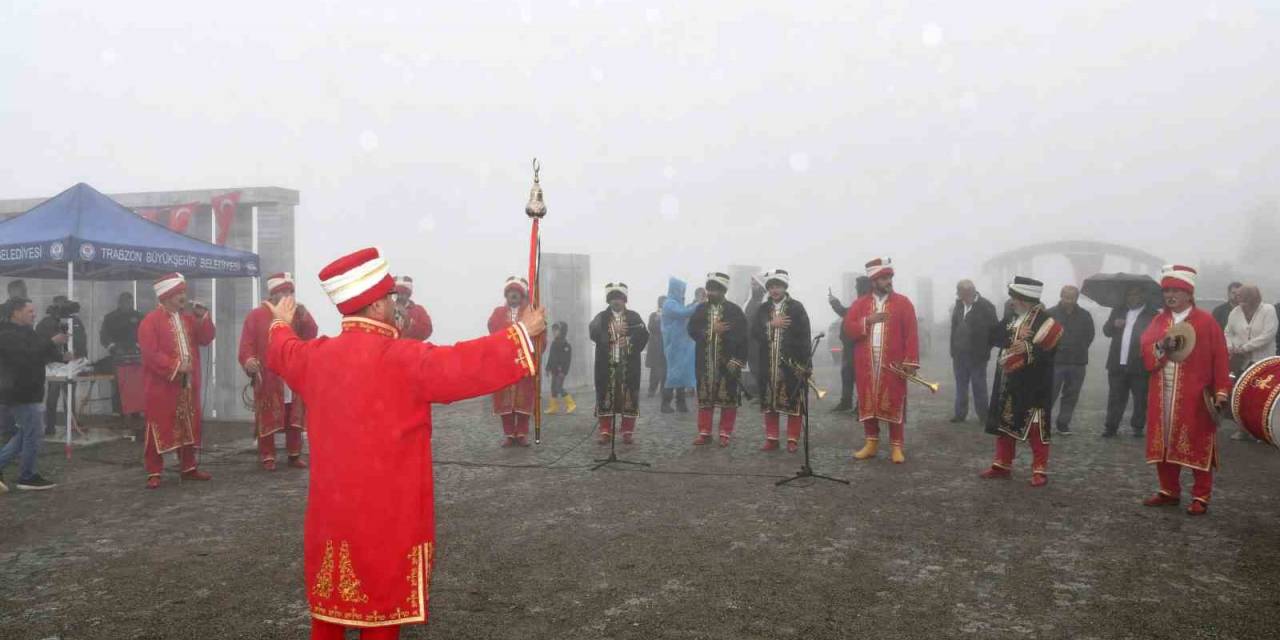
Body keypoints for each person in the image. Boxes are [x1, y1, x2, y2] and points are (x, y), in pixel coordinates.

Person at [263, 247, 544, 640]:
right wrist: (522, 336)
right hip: (386, 515)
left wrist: (279, 322)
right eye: (392, 298)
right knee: (381, 613)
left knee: (329, 612)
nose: (397, 306)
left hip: (333, 512)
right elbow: (464, 365)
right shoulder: (404, 359)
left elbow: (282, 350)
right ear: (377, 306)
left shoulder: (316, 357)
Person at [1140, 265, 1231, 515]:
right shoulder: (1159, 320)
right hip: (1162, 392)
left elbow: (1220, 357)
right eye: (1167, 291)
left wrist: (1221, 391)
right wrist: (1161, 345)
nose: (1170, 295)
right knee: (1164, 442)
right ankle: (1169, 491)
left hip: (1195, 394)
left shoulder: (1206, 322)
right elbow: (1146, 350)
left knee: (1197, 440)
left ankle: (1201, 495)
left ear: (1189, 294)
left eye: (1176, 291)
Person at [980, 277, 1064, 486]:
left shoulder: (1046, 322)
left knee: (1035, 427)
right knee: (1005, 423)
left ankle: (1039, 471)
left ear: (1025, 300)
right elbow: (994, 336)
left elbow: (1050, 350)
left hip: (1035, 383)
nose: (1011, 302)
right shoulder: (1011, 317)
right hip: (1008, 381)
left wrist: (1026, 349)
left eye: (1014, 298)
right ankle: (1002, 465)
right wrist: (1014, 334)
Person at [138, 273, 216, 489]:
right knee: (158, 426)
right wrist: (174, 365)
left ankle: (188, 467)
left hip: (188, 384)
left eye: (183, 292)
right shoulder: (150, 322)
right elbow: (150, 353)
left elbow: (206, 338)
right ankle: (154, 470)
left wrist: (202, 318)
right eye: (178, 293)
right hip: (162, 385)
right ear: (166, 296)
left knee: (188, 424)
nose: (183, 296)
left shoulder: (188, 319)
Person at [239, 272, 319, 471]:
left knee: (294, 414)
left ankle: (294, 454)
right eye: (284, 292)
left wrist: (305, 315)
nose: (289, 295)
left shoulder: (296, 313)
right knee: (267, 414)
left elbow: (311, 334)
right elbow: (246, 344)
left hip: (291, 372)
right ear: (273, 294)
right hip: (268, 374)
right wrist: (248, 360)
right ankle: (268, 455)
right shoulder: (256, 315)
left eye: (291, 291)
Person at [845, 258, 919, 464]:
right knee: (868, 401)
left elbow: (911, 334)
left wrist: (910, 361)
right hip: (866, 363)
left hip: (893, 364)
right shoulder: (859, 304)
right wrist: (867, 321)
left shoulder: (903, 303)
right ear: (873, 281)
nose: (888, 281)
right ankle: (871, 443)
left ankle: (896, 446)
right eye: (884, 278)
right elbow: (848, 329)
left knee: (894, 400)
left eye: (889, 277)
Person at [0, 296, 69, 492]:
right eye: (30, 311)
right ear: (16, 312)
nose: (34, 314)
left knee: (27, 433)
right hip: (18, 391)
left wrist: (61, 356)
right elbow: (25, 354)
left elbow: (39, 352)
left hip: (29, 390)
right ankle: (27, 476)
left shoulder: (27, 331)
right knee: (32, 433)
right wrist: (50, 341)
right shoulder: (6, 333)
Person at [751, 269, 811, 452]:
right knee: (770, 402)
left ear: (785, 287)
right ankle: (772, 438)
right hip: (767, 364)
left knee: (794, 401)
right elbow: (754, 332)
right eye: (771, 287)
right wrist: (771, 325)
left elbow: (805, 337)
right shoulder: (762, 309)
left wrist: (806, 365)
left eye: (778, 286)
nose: (775, 290)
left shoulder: (797, 308)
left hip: (792, 365)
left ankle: (792, 439)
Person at [688, 272, 749, 446]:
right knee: (705, 399)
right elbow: (691, 330)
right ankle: (704, 433)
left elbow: (743, 338)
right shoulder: (700, 309)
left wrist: (738, 360)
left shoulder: (734, 311)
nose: (710, 293)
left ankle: (725, 434)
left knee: (728, 400)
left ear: (723, 291)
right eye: (709, 289)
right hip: (704, 363)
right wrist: (710, 331)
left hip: (728, 363)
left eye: (715, 290)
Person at [589, 283, 649, 444]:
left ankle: (627, 431)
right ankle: (605, 431)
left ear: (624, 300)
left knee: (629, 396)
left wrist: (629, 341)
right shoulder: (601, 317)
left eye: (619, 298)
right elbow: (593, 332)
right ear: (609, 300)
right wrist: (611, 333)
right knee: (605, 395)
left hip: (628, 366)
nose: (616, 301)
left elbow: (643, 335)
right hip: (605, 365)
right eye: (613, 298)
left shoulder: (634, 317)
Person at [1101, 286, 1157, 438]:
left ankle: (1138, 427)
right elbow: (1106, 331)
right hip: (1117, 363)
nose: (1131, 298)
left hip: (1139, 364)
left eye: (1135, 294)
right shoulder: (1118, 311)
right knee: (1115, 397)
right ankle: (1111, 427)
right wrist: (1114, 324)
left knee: (1140, 398)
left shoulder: (1152, 315)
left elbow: (1157, 338)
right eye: (1129, 295)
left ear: (1143, 296)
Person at [1225, 285, 1277, 441]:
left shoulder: (1268, 310)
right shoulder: (1235, 312)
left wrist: (1245, 347)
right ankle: (1243, 429)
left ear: (1253, 298)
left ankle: (1262, 430)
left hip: (1262, 361)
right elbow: (1228, 332)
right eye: (1238, 299)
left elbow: (1268, 334)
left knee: (1260, 396)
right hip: (1240, 361)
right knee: (1240, 395)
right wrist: (1230, 346)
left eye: (1243, 299)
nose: (1240, 302)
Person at [488, 276, 536, 446]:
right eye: (511, 293)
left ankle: (522, 433)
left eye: (517, 293)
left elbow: (539, 336)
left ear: (522, 295)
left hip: (524, 363)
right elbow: (493, 331)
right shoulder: (497, 313)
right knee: (505, 401)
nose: (513, 296)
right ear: (506, 295)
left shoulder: (531, 313)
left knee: (524, 399)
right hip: (504, 363)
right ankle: (509, 434)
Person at [1047, 285, 1095, 435]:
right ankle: (1042, 423)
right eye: (1066, 297)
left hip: (1078, 362)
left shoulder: (1085, 315)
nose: (1069, 300)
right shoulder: (1050, 314)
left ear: (1076, 298)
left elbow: (1090, 335)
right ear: (1061, 296)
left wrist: (1079, 347)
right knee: (1049, 394)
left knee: (1071, 395)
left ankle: (1063, 423)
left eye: (1072, 298)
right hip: (1055, 362)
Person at [948, 279, 998, 423]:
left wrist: (985, 350)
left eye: (962, 293)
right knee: (961, 386)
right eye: (959, 293)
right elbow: (954, 329)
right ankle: (960, 414)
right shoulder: (958, 306)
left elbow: (994, 332)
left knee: (979, 386)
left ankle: (984, 416)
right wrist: (953, 349)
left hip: (978, 356)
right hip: (959, 355)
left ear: (971, 291)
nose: (959, 296)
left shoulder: (987, 306)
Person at [37, 295, 87, 435]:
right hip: (55, 365)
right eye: (59, 305)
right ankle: (50, 426)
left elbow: (82, 338)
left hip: (72, 363)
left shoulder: (75, 321)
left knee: (70, 395)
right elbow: (40, 343)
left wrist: (81, 356)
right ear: (54, 306)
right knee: (53, 396)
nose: (62, 308)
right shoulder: (46, 323)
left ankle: (70, 426)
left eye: (64, 304)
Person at [828, 276, 872, 414]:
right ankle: (847, 402)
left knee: (860, 376)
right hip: (849, 345)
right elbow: (846, 313)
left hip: (859, 345)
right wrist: (834, 302)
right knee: (847, 374)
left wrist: (835, 303)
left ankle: (861, 405)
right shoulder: (859, 302)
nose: (855, 288)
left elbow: (846, 313)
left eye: (857, 286)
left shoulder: (868, 303)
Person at [100, 291, 145, 416]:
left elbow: (145, 334)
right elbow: (104, 336)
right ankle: (118, 413)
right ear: (119, 303)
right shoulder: (110, 317)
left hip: (135, 356)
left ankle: (136, 412)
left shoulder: (140, 316)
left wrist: (139, 345)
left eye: (130, 301)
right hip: (117, 355)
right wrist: (112, 346)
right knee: (118, 385)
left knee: (135, 385)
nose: (128, 304)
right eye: (125, 301)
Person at [661, 278, 697, 414]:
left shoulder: (675, 303)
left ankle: (681, 404)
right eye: (682, 290)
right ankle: (665, 403)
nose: (683, 293)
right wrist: (698, 305)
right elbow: (683, 313)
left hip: (680, 343)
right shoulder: (670, 304)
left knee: (680, 373)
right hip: (673, 344)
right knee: (673, 373)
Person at [742, 274, 767, 399]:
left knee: (761, 366)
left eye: (755, 283)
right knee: (753, 366)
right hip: (749, 339)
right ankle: (760, 392)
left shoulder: (765, 300)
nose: (753, 285)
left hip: (761, 340)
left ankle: (765, 393)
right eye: (751, 283)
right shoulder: (749, 300)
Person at [544, 322, 576, 414]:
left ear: (562, 331)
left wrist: (564, 371)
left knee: (559, 387)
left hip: (561, 371)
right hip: (554, 370)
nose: (554, 332)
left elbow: (567, 360)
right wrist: (547, 368)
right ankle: (553, 407)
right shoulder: (554, 343)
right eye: (553, 330)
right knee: (553, 388)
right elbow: (551, 357)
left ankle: (571, 404)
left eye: (557, 330)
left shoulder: (566, 345)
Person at [393, 275, 433, 342]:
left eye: (403, 294)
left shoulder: (418, 310)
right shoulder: (383, 308)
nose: (399, 297)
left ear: (408, 295)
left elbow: (427, 331)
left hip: (411, 349)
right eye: (397, 294)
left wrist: (408, 321)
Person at [646, 296, 667, 398]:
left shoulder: (669, 316)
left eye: (665, 302)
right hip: (655, 346)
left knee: (666, 369)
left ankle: (663, 390)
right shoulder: (653, 315)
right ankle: (652, 389)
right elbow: (650, 327)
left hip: (666, 346)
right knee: (655, 370)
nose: (663, 304)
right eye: (661, 302)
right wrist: (659, 321)